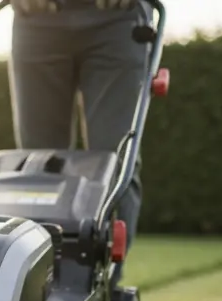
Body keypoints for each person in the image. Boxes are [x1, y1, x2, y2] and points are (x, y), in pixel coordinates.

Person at [9, 0, 150, 284]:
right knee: (38, 167)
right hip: (36, 17)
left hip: (117, 18)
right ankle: (40, 283)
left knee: (116, 161)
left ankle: (102, 288)